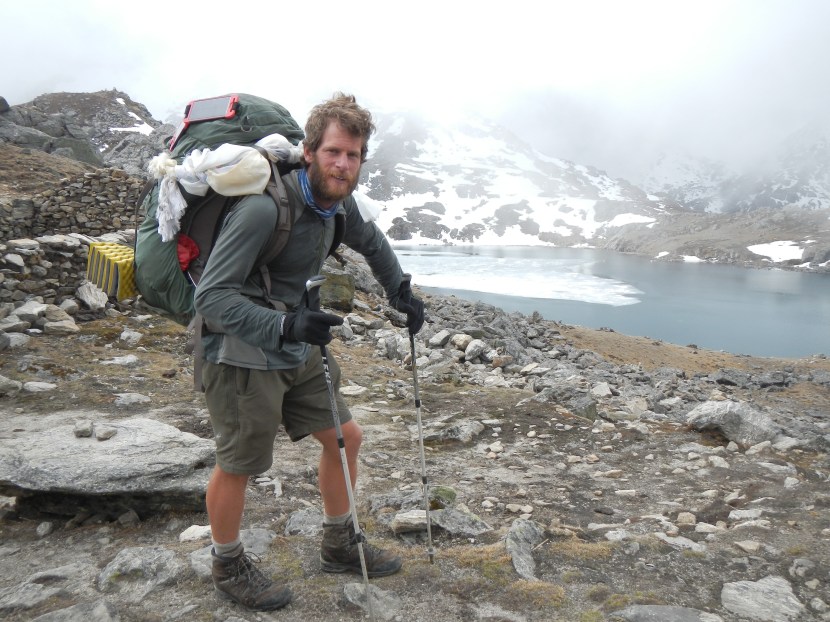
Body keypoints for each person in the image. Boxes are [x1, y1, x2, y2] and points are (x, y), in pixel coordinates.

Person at [193, 92, 425, 612]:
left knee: (344, 437)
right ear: (311, 150)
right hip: (241, 353)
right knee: (240, 464)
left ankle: (339, 542)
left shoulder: (336, 205)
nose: (344, 165)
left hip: (299, 345)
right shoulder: (260, 208)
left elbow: (372, 240)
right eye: (334, 152)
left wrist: (400, 291)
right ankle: (228, 565)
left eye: (354, 155)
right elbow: (210, 296)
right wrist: (284, 323)